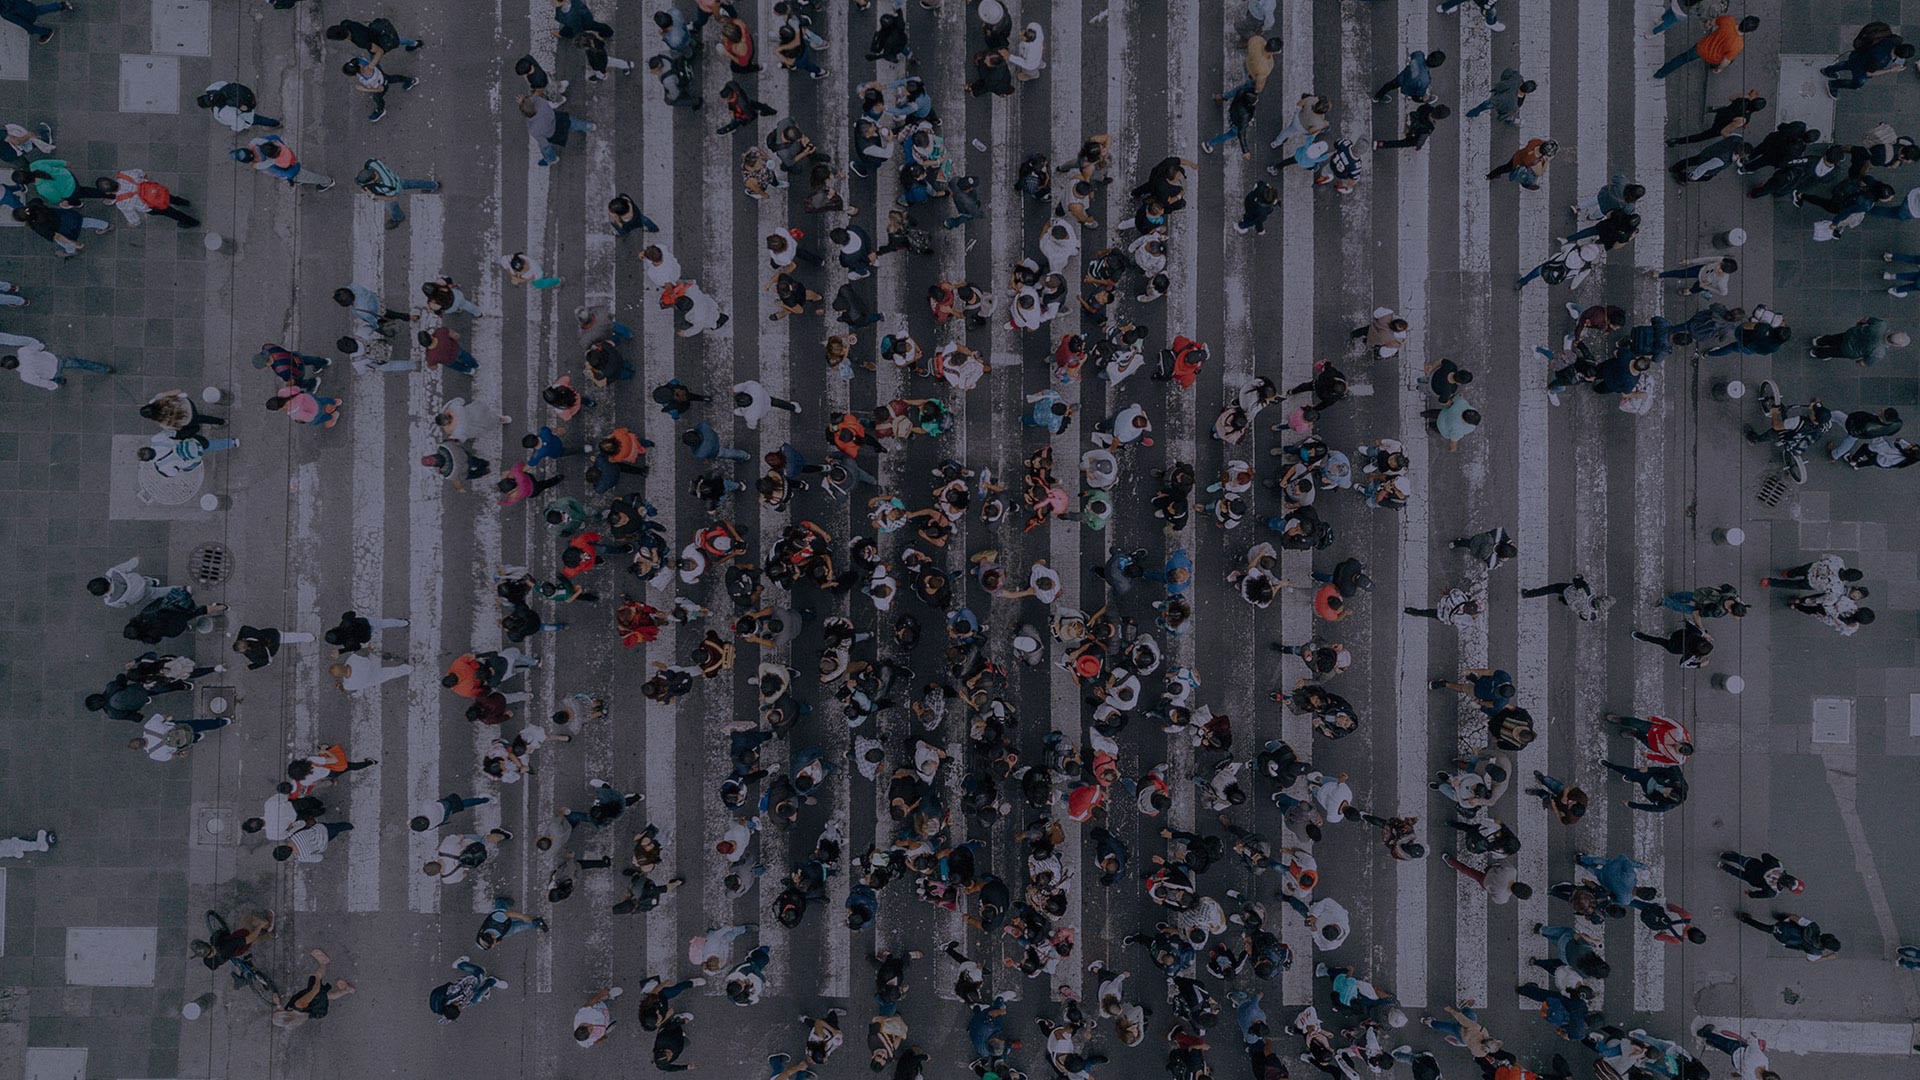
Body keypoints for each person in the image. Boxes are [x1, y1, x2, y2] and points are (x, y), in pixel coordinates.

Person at [271, 948, 355, 1028]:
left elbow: (284, 1013)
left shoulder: (293, 1019)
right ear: (284, 1013)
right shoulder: (298, 1004)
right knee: (316, 977)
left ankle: (347, 990)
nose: (277, 1009)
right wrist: (318, 978)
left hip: (316, 1009)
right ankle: (323, 962)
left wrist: (278, 1004)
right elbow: (315, 990)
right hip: (315, 997)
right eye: (277, 1011)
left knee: (329, 996)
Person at [430, 956, 505, 1022]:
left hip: (466, 989)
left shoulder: (452, 992)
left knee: (480, 972)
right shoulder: (450, 1008)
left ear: (454, 1005)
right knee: (476, 998)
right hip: (466, 996)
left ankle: (460, 964)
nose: (461, 1009)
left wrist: (477, 979)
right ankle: (490, 982)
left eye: (459, 1009)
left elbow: (464, 982)